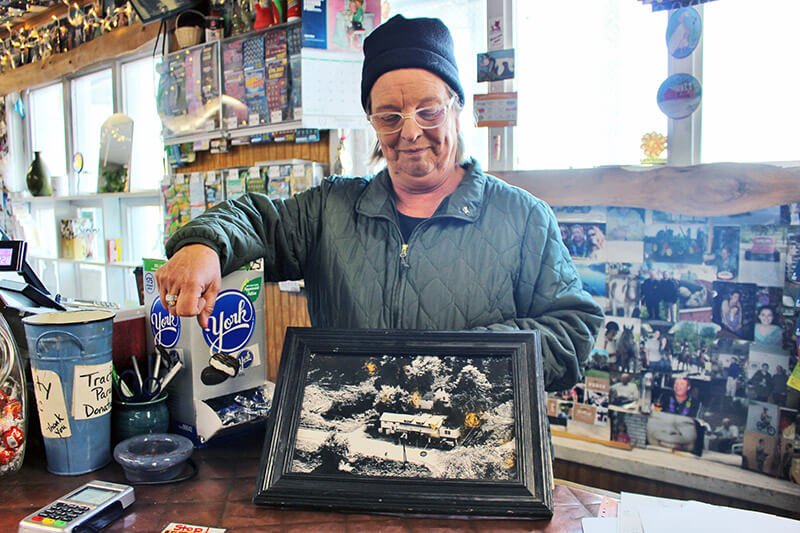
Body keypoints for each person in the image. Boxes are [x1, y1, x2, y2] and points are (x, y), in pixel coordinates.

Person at [154, 15, 604, 393]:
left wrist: (465, 359)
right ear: (372, 122)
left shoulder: (524, 219)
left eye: (429, 112)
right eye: (389, 117)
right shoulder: (329, 209)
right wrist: (203, 246)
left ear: (457, 109)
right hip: (349, 447)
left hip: (474, 458)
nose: (409, 133)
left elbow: (573, 330)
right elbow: (255, 220)